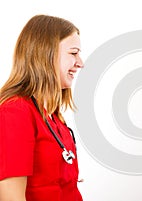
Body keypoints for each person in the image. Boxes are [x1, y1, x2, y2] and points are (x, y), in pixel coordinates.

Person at [0, 14, 84, 201]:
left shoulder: (52, 116)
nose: (80, 63)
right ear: (46, 54)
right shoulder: (16, 112)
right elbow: (10, 197)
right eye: (73, 53)